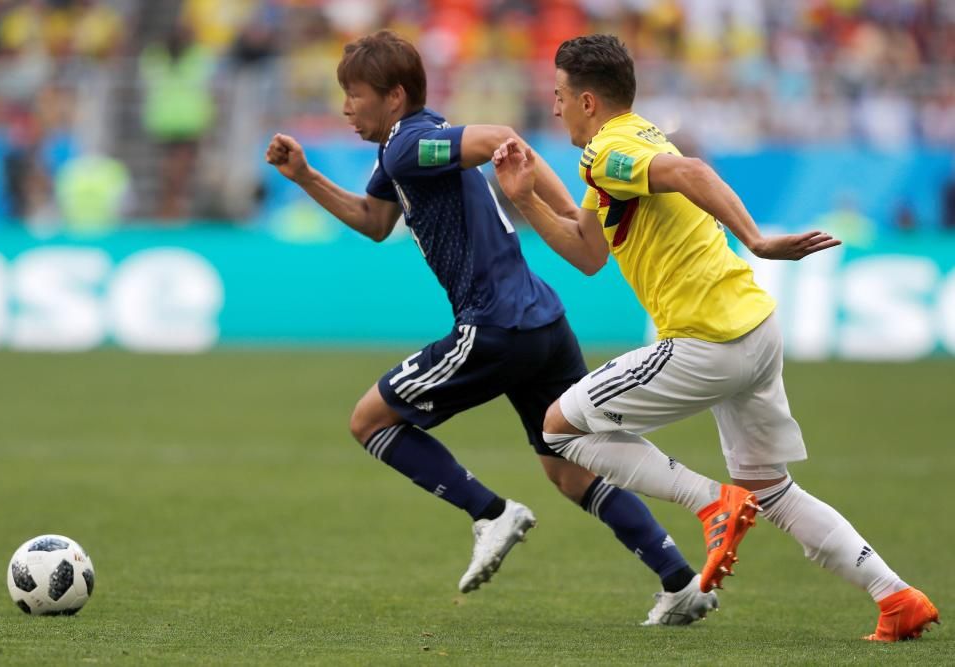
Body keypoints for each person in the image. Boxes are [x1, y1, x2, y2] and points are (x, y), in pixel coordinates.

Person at [492, 33, 939, 641]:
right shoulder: (635, 142)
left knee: (558, 428)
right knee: (771, 489)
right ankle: (896, 596)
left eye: (560, 95)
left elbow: (692, 171)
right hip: (753, 328)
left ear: (589, 101)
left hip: (707, 340)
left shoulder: (607, 152)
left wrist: (755, 239)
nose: (554, 107)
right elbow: (589, 252)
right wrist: (526, 201)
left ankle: (711, 502)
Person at [266, 30, 718, 625]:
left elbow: (503, 140)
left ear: (394, 96)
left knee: (369, 421)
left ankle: (490, 511)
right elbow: (375, 221)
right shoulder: (406, 150)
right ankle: (681, 581)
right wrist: (305, 176)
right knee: (567, 467)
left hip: (495, 325)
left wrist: (560, 212)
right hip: (542, 322)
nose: (346, 108)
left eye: (355, 95)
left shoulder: (409, 146)